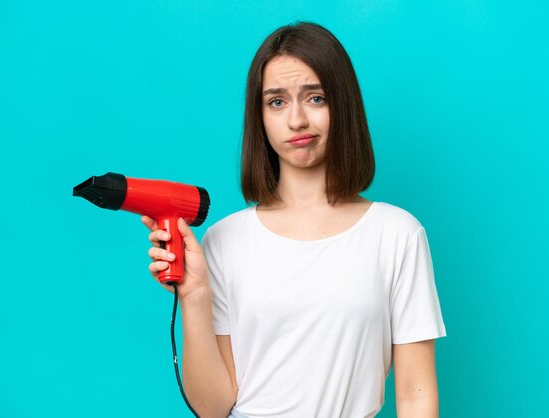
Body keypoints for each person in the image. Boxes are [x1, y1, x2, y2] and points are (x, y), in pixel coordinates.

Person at [143, 22, 446, 418]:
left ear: (343, 105)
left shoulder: (397, 235)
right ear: (260, 117)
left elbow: (416, 397)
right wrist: (195, 297)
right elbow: (213, 407)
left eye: (316, 98)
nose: (297, 120)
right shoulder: (224, 240)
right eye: (277, 102)